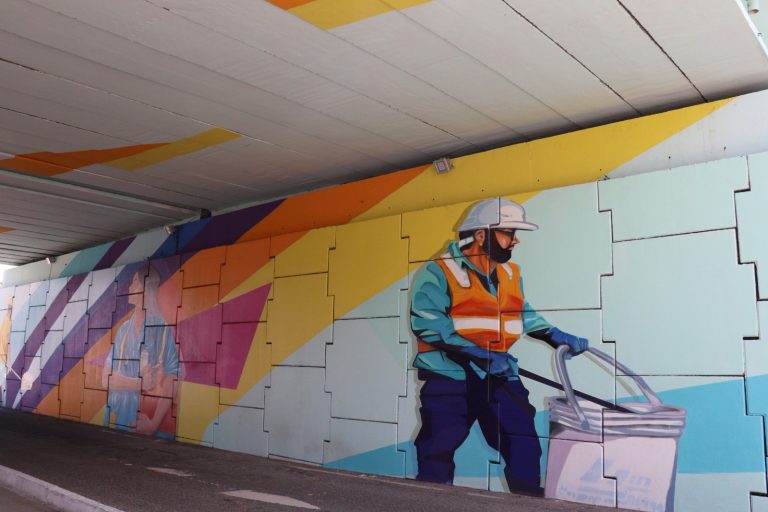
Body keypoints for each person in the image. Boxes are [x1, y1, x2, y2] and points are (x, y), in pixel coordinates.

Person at [409, 197, 589, 495]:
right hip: (449, 380)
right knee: (436, 451)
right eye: (508, 233)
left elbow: (522, 313)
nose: (516, 241)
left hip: (500, 377)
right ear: (482, 235)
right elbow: (429, 324)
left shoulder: (509, 274)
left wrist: (553, 334)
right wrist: (479, 354)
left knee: (524, 447)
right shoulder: (439, 271)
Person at [102, 263, 179, 438]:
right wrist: (139, 383)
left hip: (146, 418)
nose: (129, 287)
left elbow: (171, 380)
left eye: (134, 282)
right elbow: (105, 379)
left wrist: (154, 425)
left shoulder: (162, 329)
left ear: (146, 288)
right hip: (116, 414)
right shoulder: (123, 329)